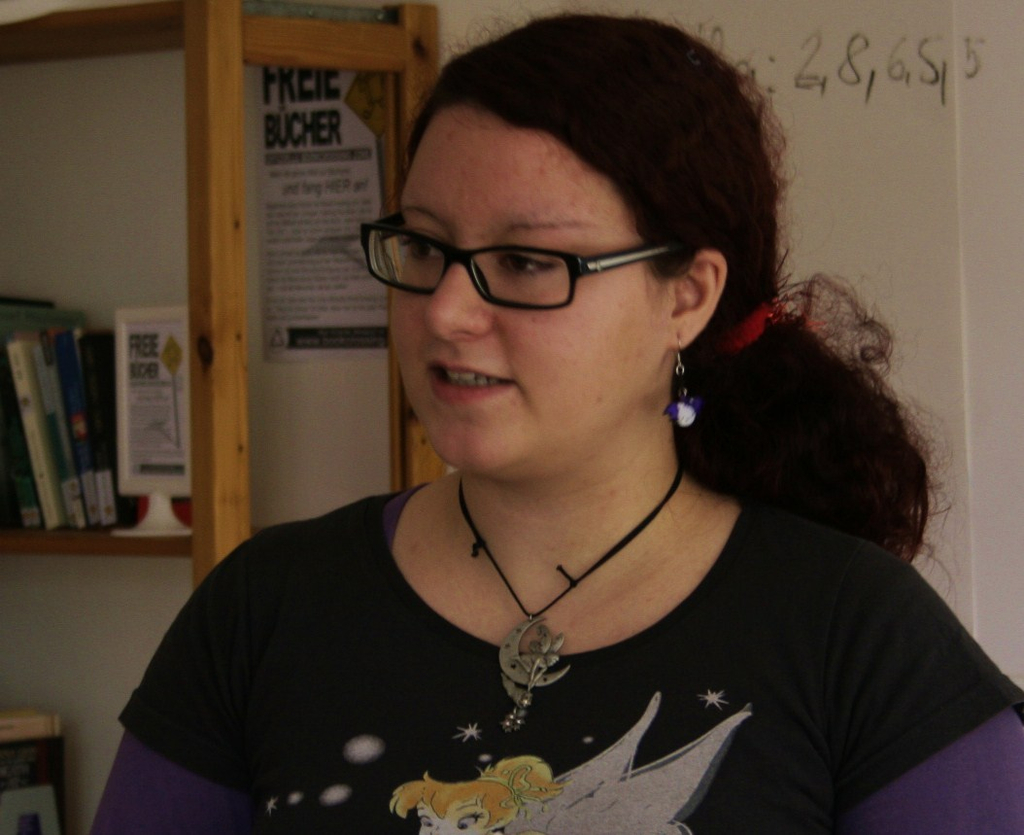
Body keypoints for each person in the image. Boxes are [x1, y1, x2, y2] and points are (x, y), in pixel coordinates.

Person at [91, 13, 1024, 834]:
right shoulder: (263, 611)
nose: (447, 309)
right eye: (424, 245)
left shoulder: (861, 640)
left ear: (687, 297)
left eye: (529, 261)